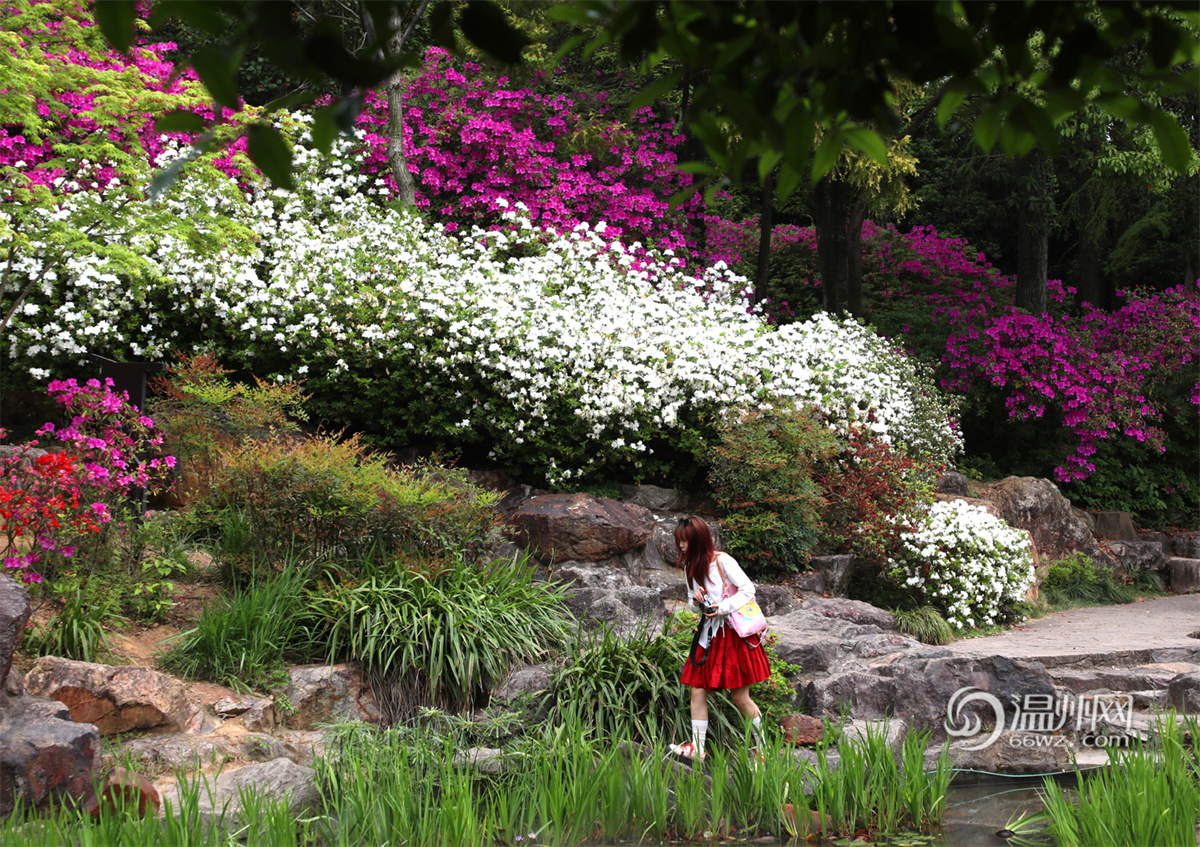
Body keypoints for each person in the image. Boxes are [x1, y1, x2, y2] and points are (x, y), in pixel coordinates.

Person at [668, 515, 771, 763]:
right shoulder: (690, 567)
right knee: (697, 690)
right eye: (679, 541)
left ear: (699, 539)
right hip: (709, 637)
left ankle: (763, 751)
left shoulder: (723, 561)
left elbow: (748, 590)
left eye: (685, 541)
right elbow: (693, 604)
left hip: (732, 636)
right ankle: (698, 748)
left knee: (740, 697)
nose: (681, 546)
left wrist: (722, 607)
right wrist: (697, 602)